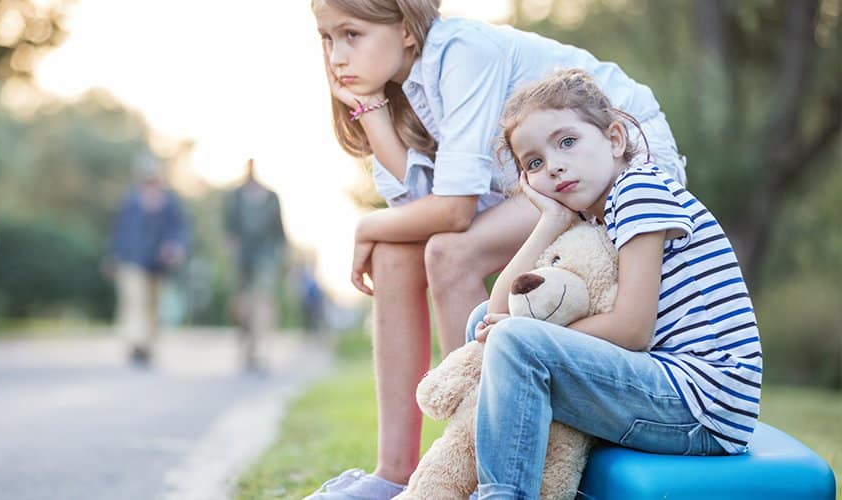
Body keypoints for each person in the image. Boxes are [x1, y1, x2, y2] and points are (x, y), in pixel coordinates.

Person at [308, 1, 688, 497]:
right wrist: (372, 109)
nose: (337, 55)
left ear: (405, 29)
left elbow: (452, 215)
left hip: (604, 161)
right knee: (394, 253)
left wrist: (364, 227)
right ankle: (395, 473)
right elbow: (420, 207)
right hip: (535, 179)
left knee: (449, 253)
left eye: (352, 34)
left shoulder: (462, 51)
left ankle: (469, 456)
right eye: (327, 38)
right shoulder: (400, 91)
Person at [461, 68, 761, 498]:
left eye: (567, 142)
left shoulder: (638, 190)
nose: (556, 165)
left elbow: (632, 330)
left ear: (615, 139)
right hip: (667, 389)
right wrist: (551, 221)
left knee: (514, 339)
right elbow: (498, 311)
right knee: (485, 325)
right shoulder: (591, 216)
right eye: (535, 163)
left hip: (703, 404)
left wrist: (523, 334)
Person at [106, 154, 190, 366]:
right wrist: (113, 254)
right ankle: (136, 343)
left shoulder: (170, 203)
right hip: (131, 260)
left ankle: (148, 345)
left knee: (153, 307)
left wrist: (175, 247)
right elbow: (119, 230)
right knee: (134, 301)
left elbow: (179, 230)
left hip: (157, 264)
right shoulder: (131, 201)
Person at [223, 158, 287, 373]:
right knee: (243, 305)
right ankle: (246, 344)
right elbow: (229, 229)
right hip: (243, 259)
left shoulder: (271, 198)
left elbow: (280, 232)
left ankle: (260, 349)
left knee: (263, 301)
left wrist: (282, 258)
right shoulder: (235, 197)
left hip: (265, 257)